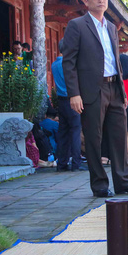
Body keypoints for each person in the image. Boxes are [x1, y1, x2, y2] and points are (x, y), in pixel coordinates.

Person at [62, 0, 128, 197]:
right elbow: (69, 62)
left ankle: (123, 183)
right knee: (94, 138)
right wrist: (74, 93)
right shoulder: (77, 25)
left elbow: (116, 61)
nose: (101, 0)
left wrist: (123, 91)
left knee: (119, 138)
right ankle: (100, 185)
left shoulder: (110, 27)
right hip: (92, 89)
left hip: (115, 89)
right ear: (86, 0)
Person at [51, 38, 85, 172]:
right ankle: (76, 163)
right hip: (72, 99)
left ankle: (62, 163)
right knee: (76, 131)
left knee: (63, 132)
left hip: (61, 100)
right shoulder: (69, 64)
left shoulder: (54, 64)